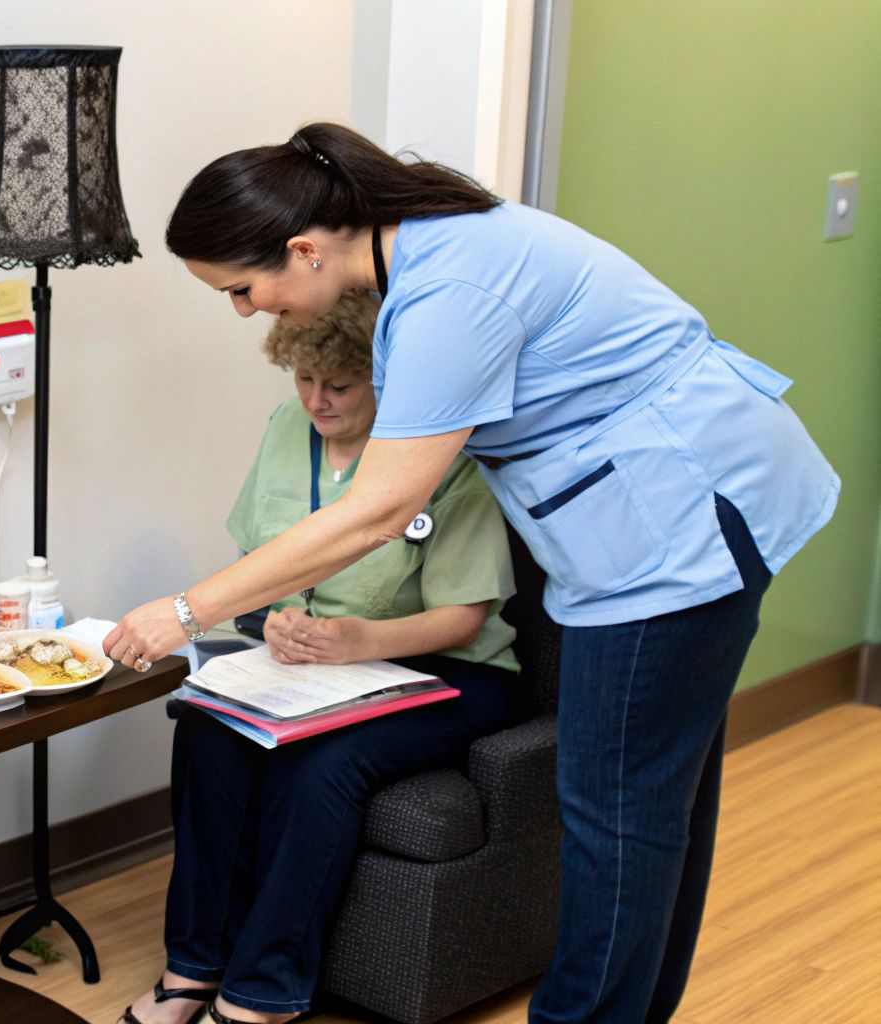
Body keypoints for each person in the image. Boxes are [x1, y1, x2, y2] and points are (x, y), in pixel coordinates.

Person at [104, 123, 839, 1024]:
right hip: (659, 511)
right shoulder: (426, 254)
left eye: (244, 290)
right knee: (646, 808)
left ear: (302, 251)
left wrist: (186, 610)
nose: (247, 311)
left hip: (682, 519)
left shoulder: (449, 289)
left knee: (617, 816)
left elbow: (376, 511)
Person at [118, 289, 526, 1024]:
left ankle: (262, 994)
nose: (316, 400)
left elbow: (466, 618)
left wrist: (359, 642)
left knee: (321, 766)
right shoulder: (285, 427)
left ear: (384, 380)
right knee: (208, 729)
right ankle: (192, 969)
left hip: (445, 671)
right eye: (304, 381)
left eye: (338, 385)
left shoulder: (439, 457)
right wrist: (270, 621)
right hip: (311, 669)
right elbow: (258, 562)